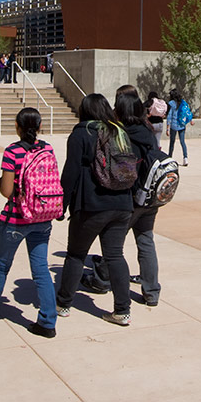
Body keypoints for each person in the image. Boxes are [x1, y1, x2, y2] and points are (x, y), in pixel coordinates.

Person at [0, 107, 59, 337]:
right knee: (41, 269)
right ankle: (48, 321)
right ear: (39, 127)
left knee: (1, 265)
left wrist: (2, 180)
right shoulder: (47, 149)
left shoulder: (12, 152)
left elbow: (6, 190)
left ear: (18, 128)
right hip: (42, 216)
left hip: (17, 219)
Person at [56, 93, 135, 326]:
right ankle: (122, 310)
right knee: (115, 256)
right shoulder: (119, 132)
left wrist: (62, 204)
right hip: (122, 204)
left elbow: (70, 172)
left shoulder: (82, 133)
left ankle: (63, 303)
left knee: (76, 254)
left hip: (91, 205)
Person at [82, 87, 163, 306]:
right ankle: (151, 291)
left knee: (113, 244)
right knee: (145, 240)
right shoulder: (148, 130)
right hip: (151, 194)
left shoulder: (123, 134)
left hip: (133, 196)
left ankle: (101, 279)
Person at [166, 88, 192, 165]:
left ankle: (170, 157)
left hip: (173, 125)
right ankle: (185, 158)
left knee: (172, 142)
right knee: (182, 142)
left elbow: (169, 116)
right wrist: (190, 120)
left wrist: (167, 127)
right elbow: (187, 112)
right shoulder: (183, 102)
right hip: (182, 124)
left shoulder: (171, 103)